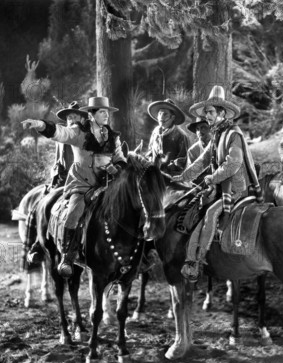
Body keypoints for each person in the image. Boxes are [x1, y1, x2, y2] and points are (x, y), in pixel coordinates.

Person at [22, 96, 127, 277]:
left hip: (109, 185)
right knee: (74, 212)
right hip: (83, 185)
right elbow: (60, 132)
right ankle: (68, 257)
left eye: (107, 112)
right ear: (91, 114)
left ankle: (133, 254)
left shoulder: (113, 137)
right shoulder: (79, 133)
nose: (106, 116)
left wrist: (115, 167)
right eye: (102, 112)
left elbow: (120, 160)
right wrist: (39, 124)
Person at [172, 85, 263, 282]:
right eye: (206, 113)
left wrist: (212, 178)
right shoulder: (217, 135)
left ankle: (198, 259)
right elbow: (203, 161)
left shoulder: (233, 134)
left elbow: (233, 163)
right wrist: (183, 177)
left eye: (211, 112)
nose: (208, 116)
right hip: (222, 188)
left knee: (211, 213)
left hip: (237, 190)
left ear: (222, 113)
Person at [146, 98, 190, 174]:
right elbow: (150, 152)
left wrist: (169, 169)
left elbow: (183, 161)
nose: (161, 117)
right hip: (154, 174)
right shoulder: (155, 132)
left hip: (171, 177)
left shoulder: (181, 136)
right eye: (160, 114)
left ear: (172, 117)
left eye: (165, 114)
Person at [50, 101, 87, 188]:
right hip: (61, 178)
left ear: (81, 119)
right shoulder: (61, 134)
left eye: (75, 117)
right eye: (70, 118)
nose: (73, 120)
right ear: (66, 120)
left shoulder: (85, 135)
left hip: (80, 178)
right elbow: (57, 159)